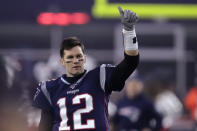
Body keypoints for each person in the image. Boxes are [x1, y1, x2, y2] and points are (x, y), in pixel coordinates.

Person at [32, 6, 139, 131]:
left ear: (85, 58)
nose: (75, 60)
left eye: (79, 56)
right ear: (62, 62)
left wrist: (129, 32)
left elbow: (130, 63)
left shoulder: (99, 77)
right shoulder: (50, 89)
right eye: (70, 57)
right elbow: (44, 127)